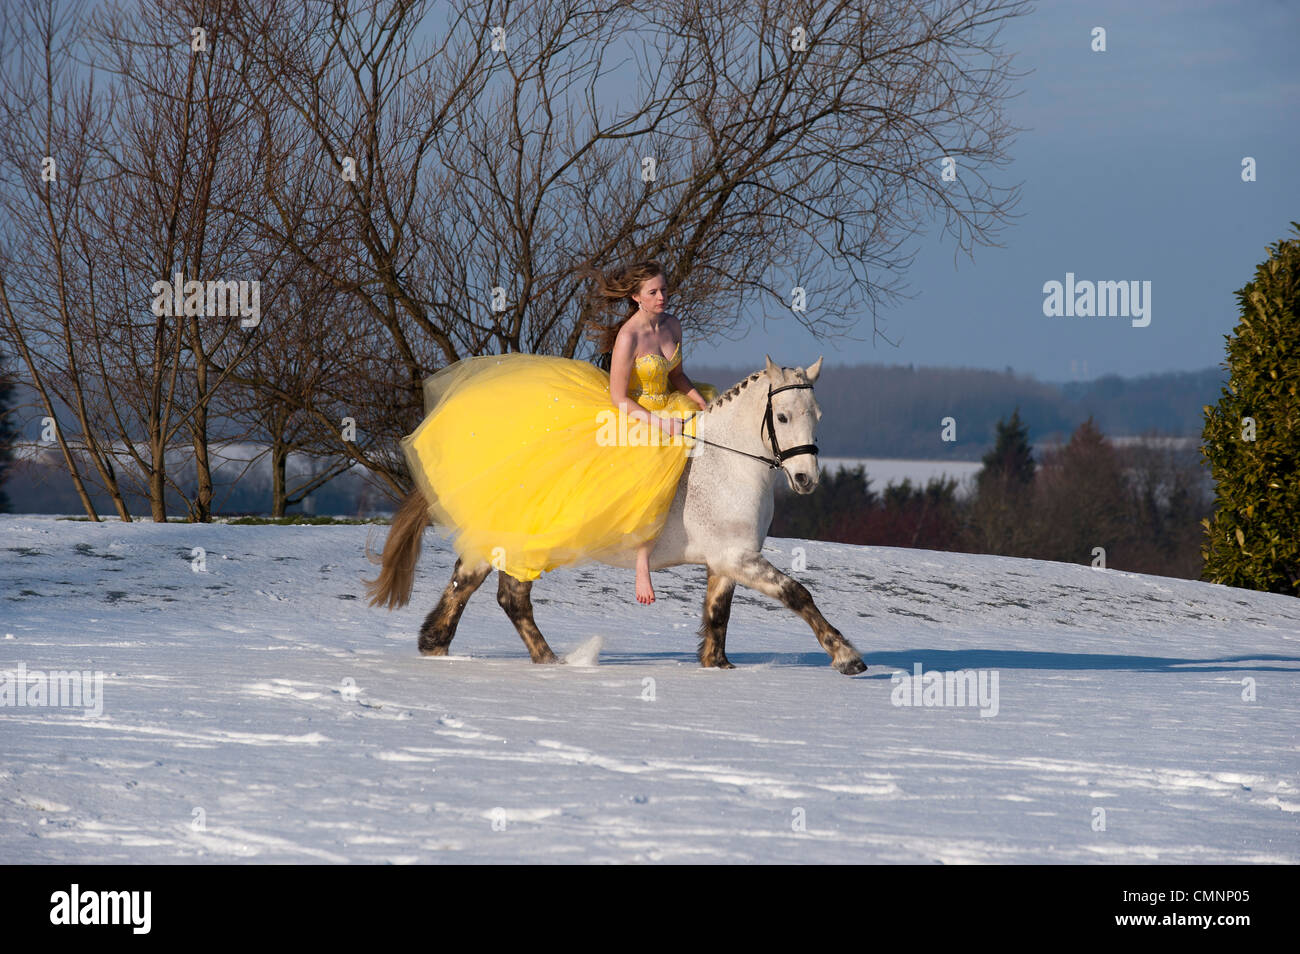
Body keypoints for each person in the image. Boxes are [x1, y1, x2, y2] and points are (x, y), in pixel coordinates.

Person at [399, 260, 717, 596]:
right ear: (637, 297)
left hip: (670, 404)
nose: (661, 297)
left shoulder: (672, 325)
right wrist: (659, 424)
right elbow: (620, 398)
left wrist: (701, 402)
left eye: (664, 290)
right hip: (635, 414)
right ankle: (642, 563)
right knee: (653, 468)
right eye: (653, 292)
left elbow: (677, 376)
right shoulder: (629, 336)